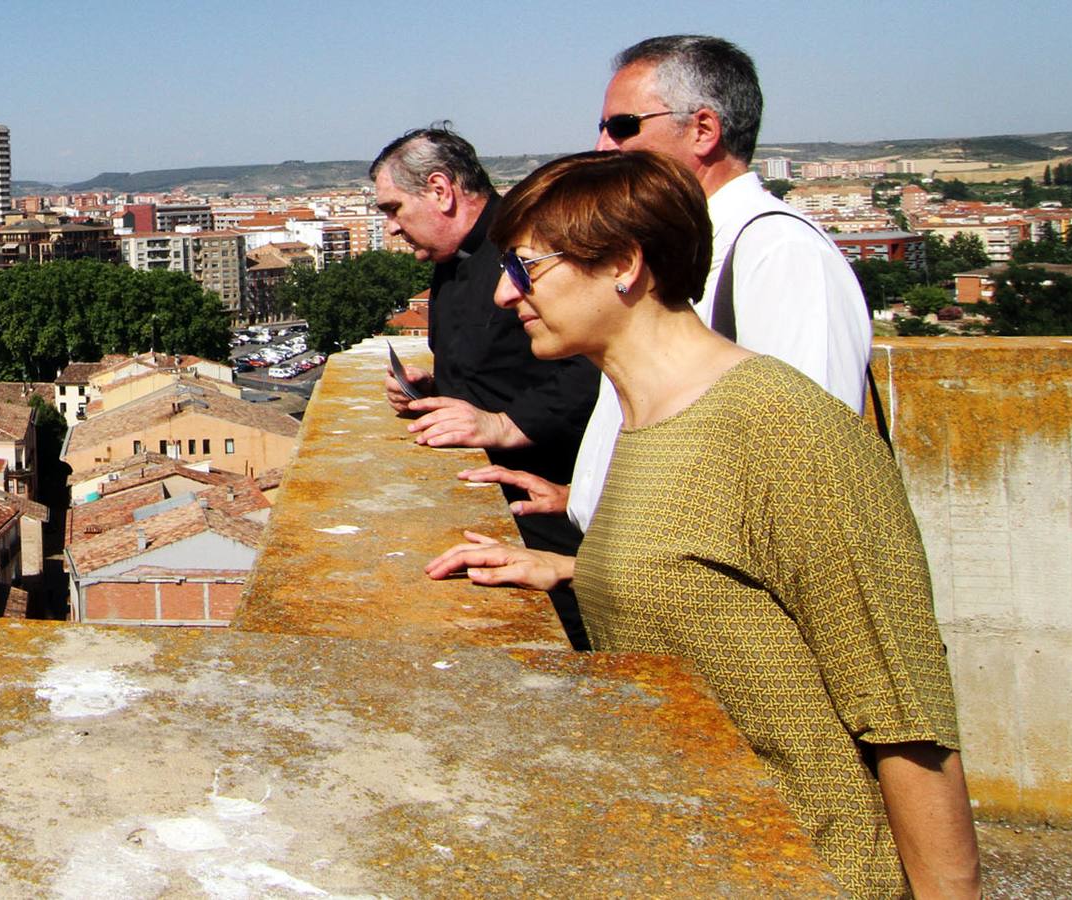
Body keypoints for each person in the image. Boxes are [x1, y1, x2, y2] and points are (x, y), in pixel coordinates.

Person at [429, 150, 978, 898]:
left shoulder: (778, 426)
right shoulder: (642, 421)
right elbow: (712, 588)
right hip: (708, 857)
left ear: (622, 263)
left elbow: (903, 707)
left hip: (812, 869)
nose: (501, 295)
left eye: (525, 268)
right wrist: (575, 570)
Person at [459, 35, 871, 533]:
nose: (603, 145)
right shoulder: (672, 248)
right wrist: (583, 499)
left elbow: (807, 484)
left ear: (703, 130)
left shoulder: (780, 251)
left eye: (622, 126)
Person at [370, 127, 599, 649]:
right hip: (505, 507)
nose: (391, 229)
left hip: (552, 508)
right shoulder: (451, 263)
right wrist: (435, 387)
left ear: (440, 190)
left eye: (393, 208)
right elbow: (496, 365)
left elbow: (597, 362)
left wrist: (506, 424)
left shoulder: (532, 241)